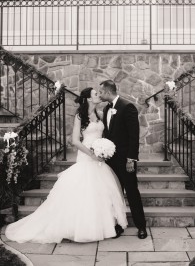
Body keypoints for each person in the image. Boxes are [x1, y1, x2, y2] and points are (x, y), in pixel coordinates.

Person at [5, 87, 127, 244]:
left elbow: (104, 134)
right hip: (86, 156)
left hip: (99, 158)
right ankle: (76, 227)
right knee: (83, 190)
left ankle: (101, 225)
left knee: (100, 191)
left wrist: (104, 150)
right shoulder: (80, 116)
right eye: (95, 94)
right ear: (89, 98)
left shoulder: (100, 114)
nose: (99, 95)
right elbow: (75, 140)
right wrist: (91, 154)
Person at [99, 80, 147, 239]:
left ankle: (141, 227)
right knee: (115, 194)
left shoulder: (127, 107)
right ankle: (119, 225)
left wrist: (131, 159)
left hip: (125, 160)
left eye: (101, 92)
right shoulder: (106, 109)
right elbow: (108, 133)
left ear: (107, 92)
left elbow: (134, 136)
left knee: (132, 192)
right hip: (111, 160)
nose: (99, 95)